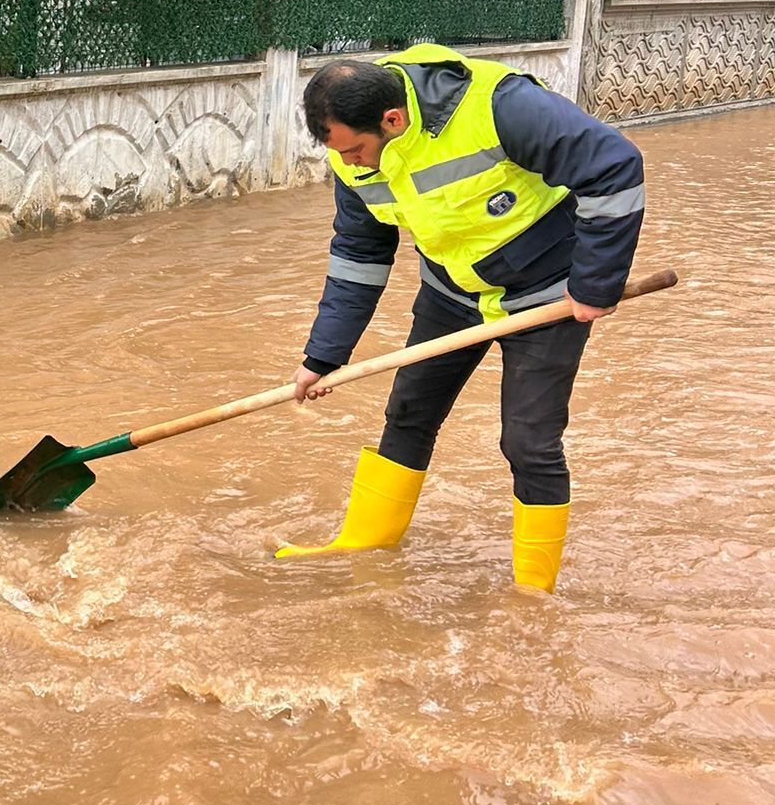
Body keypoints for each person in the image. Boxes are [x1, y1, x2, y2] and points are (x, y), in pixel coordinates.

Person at [276, 43, 645, 593]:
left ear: (392, 119)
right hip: (451, 292)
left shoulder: (499, 106)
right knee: (408, 413)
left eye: (354, 150)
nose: (348, 163)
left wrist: (596, 283)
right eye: (339, 151)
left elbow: (614, 166)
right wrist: (324, 355)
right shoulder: (348, 156)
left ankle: (533, 596)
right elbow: (358, 255)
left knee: (529, 442)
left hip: (547, 295)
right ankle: (365, 544)